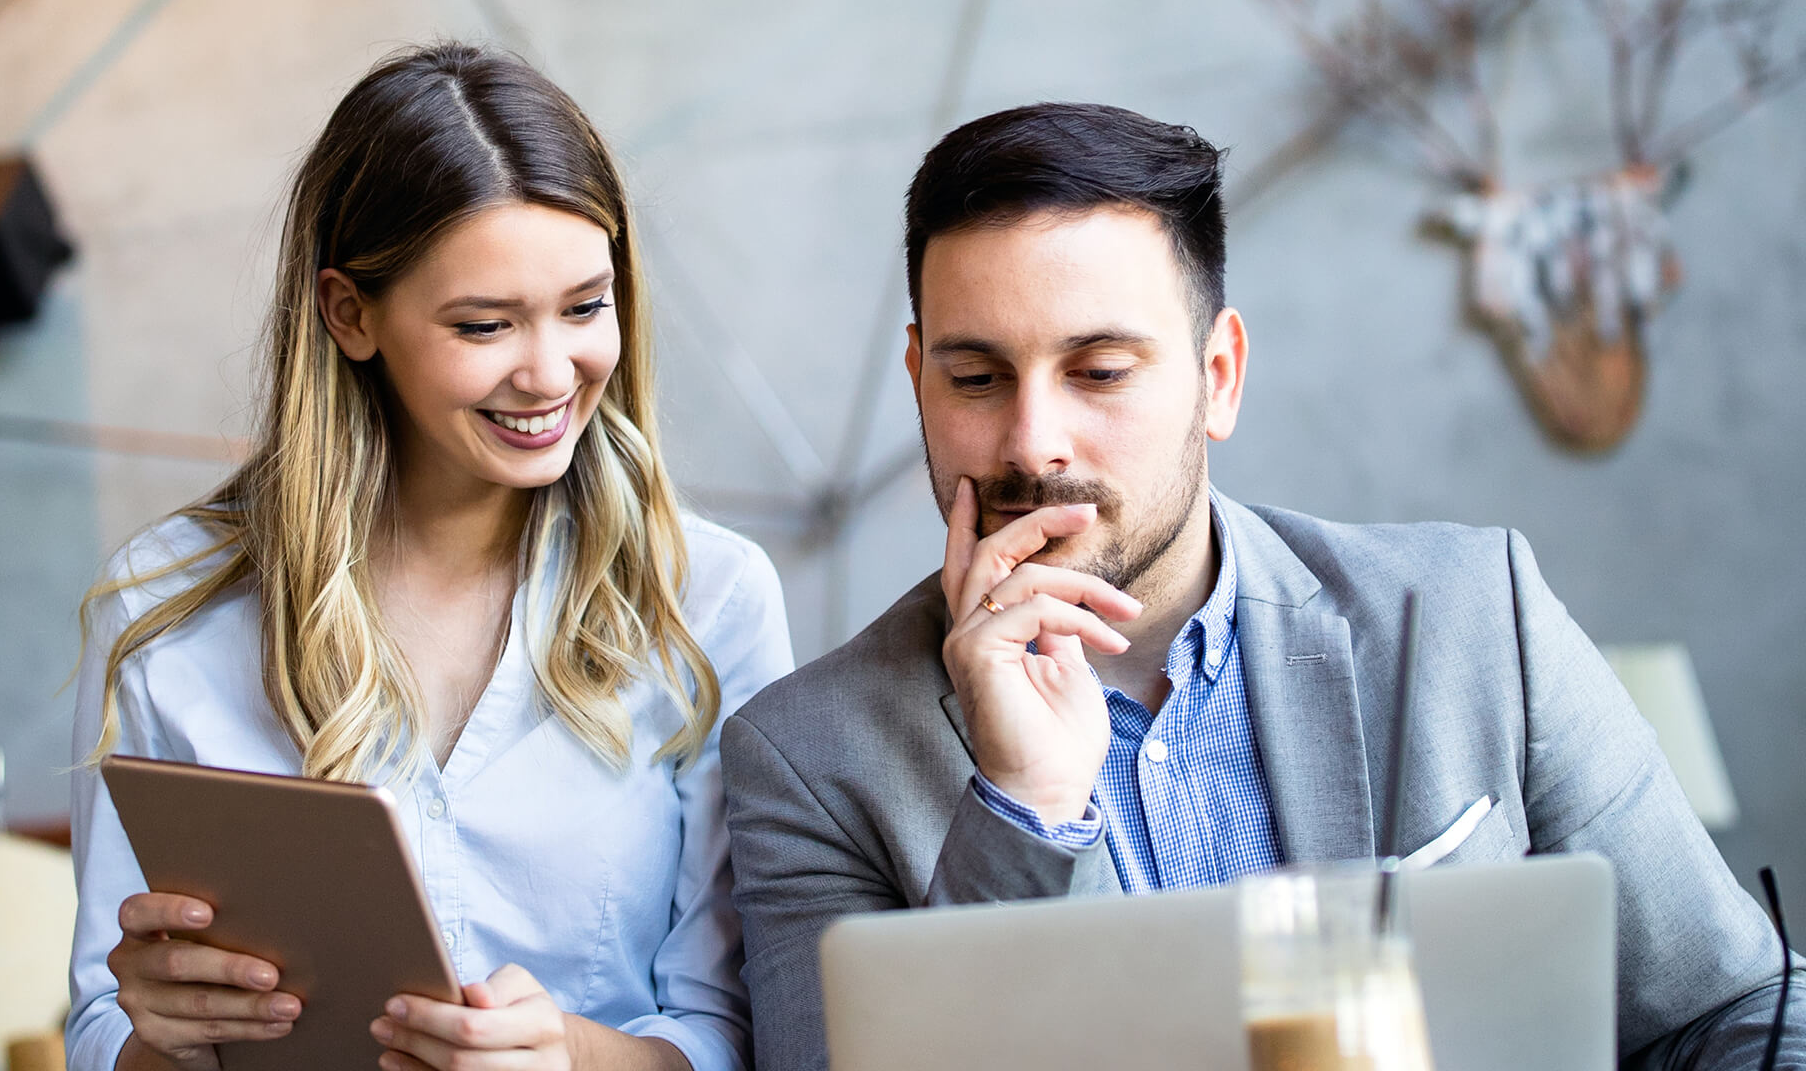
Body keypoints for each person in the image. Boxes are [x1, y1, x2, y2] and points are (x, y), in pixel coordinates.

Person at [721, 102, 1800, 1071]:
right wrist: (1027, 810)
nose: (1033, 442)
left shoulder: (1476, 615)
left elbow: (1732, 1009)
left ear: (1218, 378)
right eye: (975, 378)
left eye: (1099, 371)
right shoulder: (807, 759)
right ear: (917, 379)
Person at [67, 43, 790, 1071]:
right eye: (485, 324)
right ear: (350, 315)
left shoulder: (707, 599)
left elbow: (742, 1032)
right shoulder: (169, 602)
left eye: (586, 307)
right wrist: (161, 1038)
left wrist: (571, 1057)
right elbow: (99, 1028)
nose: (551, 374)